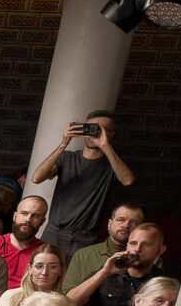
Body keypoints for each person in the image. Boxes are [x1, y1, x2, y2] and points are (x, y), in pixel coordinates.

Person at [28, 113, 134, 263]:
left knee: (76, 276)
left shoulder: (111, 164)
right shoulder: (68, 157)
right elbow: (36, 178)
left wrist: (105, 145)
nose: (93, 132)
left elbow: (127, 180)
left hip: (83, 237)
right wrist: (64, 143)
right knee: (42, 273)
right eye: (89, 127)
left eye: (99, 129)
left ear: (110, 134)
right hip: (54, 232)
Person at [69, 219, 168, 306]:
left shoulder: (162, 283)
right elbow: (70, 303)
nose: (137, 249)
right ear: (127, 246)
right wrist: (104, 272)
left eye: (147, 244)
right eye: (133, 243)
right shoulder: (106, 273)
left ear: (161, 249)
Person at [61, 202, 143, 294]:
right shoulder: (83, 255)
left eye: (134, 222)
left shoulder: (147, 258)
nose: (126, 225)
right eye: (121, 220)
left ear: (141, 228)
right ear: (109, 224)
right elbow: (67, 296)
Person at [0, 193, 48, 289]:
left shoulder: (45, 251)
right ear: (15, 216)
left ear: (42, 221)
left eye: (35, 216)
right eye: (24, 213)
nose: (28, 219)